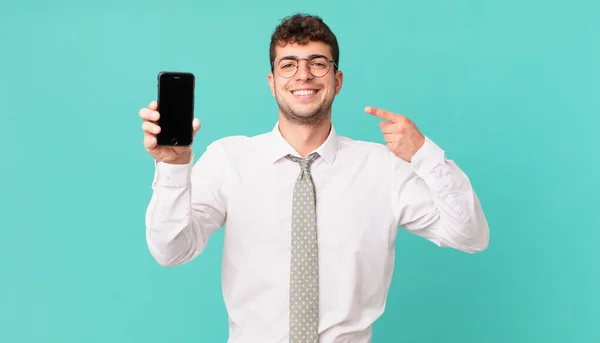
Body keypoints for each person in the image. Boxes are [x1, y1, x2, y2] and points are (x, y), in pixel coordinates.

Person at [139, 13, 489, 343]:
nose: (303, 75)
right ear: (272, 83)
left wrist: (423, 154)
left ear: (337, 80)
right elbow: (171, 251)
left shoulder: (383, 168)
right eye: (288, 65)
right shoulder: (229, 159)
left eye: (317, 64)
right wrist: (173, 167)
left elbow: (470, 235)